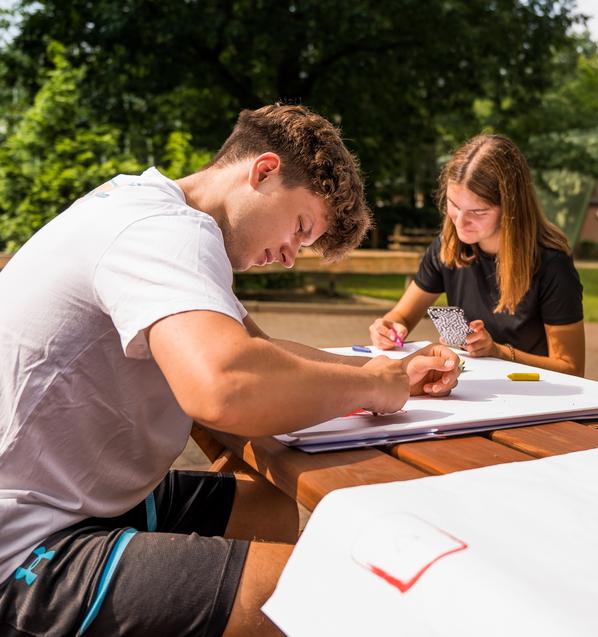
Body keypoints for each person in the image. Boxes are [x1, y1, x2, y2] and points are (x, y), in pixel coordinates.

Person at [0, 104, 460, 636]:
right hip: (26, 539)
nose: (291, 256)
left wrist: (392, 370)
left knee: (269, 508)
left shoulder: (141, 204)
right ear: (263, 171)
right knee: (330, 590)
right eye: (300, 227)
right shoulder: (168, 230)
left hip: (82, 495)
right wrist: (374, 387)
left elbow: (261, 350)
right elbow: (226, 384)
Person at [369, 134, 585, 376]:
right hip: (476, 390)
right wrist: (390, 328)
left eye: (478, 211)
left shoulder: (552, 264)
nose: (461, 222)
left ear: (510, 209)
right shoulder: (447, 247)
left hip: (539, 397)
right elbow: (402, 316)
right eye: (454, 204)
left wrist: (498, 351)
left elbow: (571, 368)